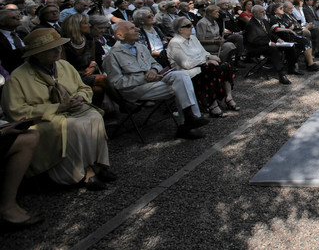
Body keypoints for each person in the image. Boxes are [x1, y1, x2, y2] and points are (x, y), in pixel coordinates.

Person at [1, 29, 115, 190]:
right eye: (51, 49)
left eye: (59, 47)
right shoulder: (18, 77)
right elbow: (16, 111)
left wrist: (80, 97)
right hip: (44, 119)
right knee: (73, 126)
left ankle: (97, 165)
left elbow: (83, 87)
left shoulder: (63, 65)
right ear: (37, 54)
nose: (58, 51)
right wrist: (58, 107)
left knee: (94, 116)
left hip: (71, 110)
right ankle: (80, 173)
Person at [104, 22, 209, 140]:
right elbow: (117, 83)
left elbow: (155, 64)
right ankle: (187, 123)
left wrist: (154, 70)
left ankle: (190, 118)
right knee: (181, 87)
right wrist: (144, 78)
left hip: (155, 80)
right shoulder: (112, 56)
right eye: (132, 28)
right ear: (120, 36)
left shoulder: (141, 47)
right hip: (135, 89)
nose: (137, 29)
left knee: (182, 76)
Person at [167, 17, 238, 117]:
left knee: (226, 66)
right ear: (180, 29)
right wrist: (206, 61)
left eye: (191, 24)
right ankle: (212, 105)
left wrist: (209, 56)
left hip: (201, 66)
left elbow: (203, 52)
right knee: (213, 70)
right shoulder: (175, 43)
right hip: (186, 73)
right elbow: (186, 64)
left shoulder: (193, 38)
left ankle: (228, 97)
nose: (191, 27)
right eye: (188, 26)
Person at [244, 5, 294, 84]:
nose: (264, 13)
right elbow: (253, 41)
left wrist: (278, 39)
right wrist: (269, 43)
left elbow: (270, 34)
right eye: (261, 12)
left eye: (264, 11)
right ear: (254, 14)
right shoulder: (251, 25)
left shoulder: (264, 21)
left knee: (289, 46)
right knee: (273, 49)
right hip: (255, 48)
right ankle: (281, 74)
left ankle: (292, 68)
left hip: (267, 45)